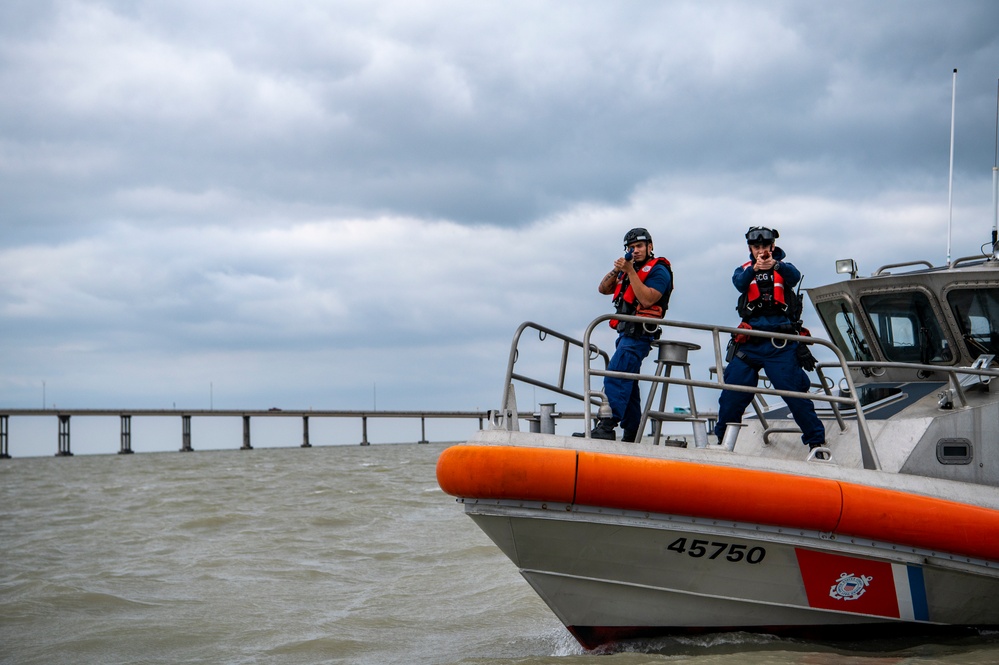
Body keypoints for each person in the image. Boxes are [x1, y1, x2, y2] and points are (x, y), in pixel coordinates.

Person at [714, 226, 826, 456]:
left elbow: (793, 278)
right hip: (749, 344)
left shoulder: (786, 269)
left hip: (779, 345)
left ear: (773, 247)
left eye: (765, 247)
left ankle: (817, 444)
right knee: (731, 395)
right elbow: (739, 283)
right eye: (757, 247)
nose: (761, 251)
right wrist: (755, 269)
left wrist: (776, 265)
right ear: (750, 249)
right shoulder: (743, 270)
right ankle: (721, 443)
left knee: (796, 395)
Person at [576, 228, 673, 442]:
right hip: (624, 334)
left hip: (639, 335)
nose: (635, 251)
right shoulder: (626, 270)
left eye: (639, 246)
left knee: (616, 375)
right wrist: (618, 270)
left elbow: (648, 300)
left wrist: (630, 272)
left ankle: (607, 426)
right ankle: (631, 433)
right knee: (629, 382)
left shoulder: (659, 270)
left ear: (650, 246)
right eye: (631, 247)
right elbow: (603, 288)